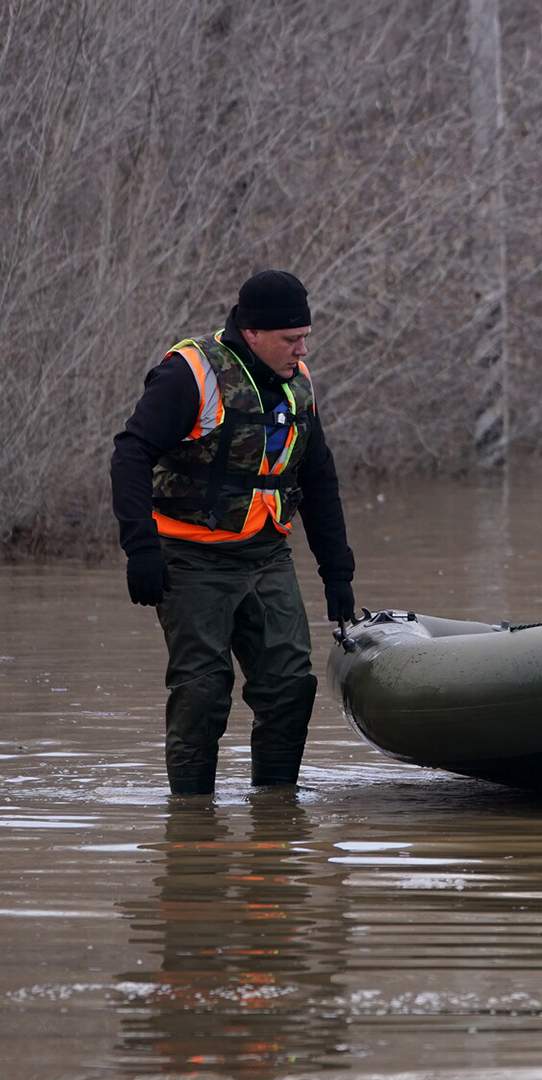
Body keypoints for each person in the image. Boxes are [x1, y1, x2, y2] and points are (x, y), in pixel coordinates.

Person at [110, 270, 356, 797]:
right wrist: (141, 549)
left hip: (265, 556)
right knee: (203, 691)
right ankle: (192, 824)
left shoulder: (298, 384)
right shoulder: (189, 373)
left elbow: (318, 479)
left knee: (290, 686)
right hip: (190, 558)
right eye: (291, 339)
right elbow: (130, 453)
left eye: (305, 337)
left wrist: (338, 574)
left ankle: (275, 815)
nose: (302, 349)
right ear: (253, 333)